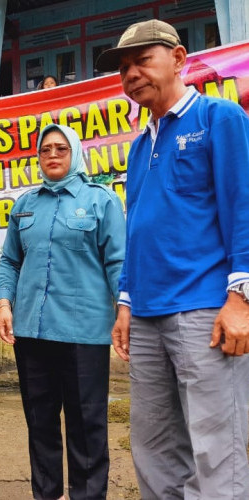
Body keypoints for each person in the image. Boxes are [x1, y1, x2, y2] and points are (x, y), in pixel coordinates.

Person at [96, 19, 249, 498]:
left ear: (179, 58)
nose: (132, 74)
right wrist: (125, 302)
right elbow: (138, 229)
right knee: (153, 446)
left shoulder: (218, 118)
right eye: (124, 68)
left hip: (205, 312)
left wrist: (240, 297)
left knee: (215, 447)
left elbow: (243, 206)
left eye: (142, 61)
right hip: (145, 317)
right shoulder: (141, 146)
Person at [0, 124, 125, 500]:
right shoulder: (25, 205)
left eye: (60, 148)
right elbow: (9, 260)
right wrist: (5, 303)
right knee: (40, 424)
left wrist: (123, 314)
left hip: (84, 333)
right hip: (32, 334)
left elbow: (118, 262)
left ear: (75, 153)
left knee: (87, 427)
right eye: (45, 149)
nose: (52, 155)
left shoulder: (101, 200)